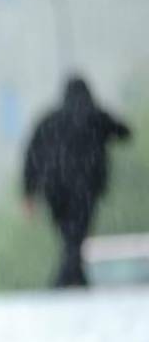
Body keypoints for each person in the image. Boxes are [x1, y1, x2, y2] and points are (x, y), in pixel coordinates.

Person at [22, 75, 134, 288]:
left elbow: (31, 157)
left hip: (54, 189)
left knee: (70, 236)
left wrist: (29, 192)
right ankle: (64, 280)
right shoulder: (94, 117)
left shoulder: (49, 121)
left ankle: (75, 279)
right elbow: (124, 132)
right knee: (76, 236)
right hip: (84, 188)